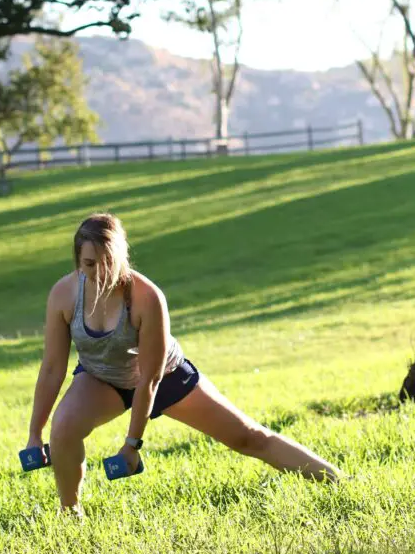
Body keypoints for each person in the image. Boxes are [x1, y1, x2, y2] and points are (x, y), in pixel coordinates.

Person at [25, 212, 341, 514]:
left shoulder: (147, 297)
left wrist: (131, 444)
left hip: (165, 378)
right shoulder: (64, 295)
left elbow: (149, 379)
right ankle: (71, 513)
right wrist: (35, 433)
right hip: (102, 379)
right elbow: (53, 367)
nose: (100, 273)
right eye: (89, 264)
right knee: (63, 428)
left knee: (248, 437)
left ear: (121, 257)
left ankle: (339, 481)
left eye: (108, 263)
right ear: (78, 261)